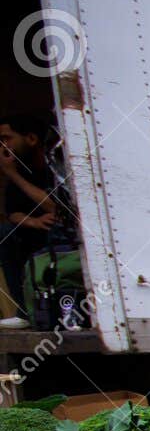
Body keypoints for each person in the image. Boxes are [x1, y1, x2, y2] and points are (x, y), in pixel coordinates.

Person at [0, 115, 57, 316]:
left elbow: (56, 207)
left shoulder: (55, 163)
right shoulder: (20, 169)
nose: (4, 146)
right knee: (5, 234)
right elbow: (13, 213)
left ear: (31, 139)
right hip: (35, 234)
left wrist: (13, 174)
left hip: (61, 235)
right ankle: (25, 310)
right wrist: (32, 221)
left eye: (7, 138)